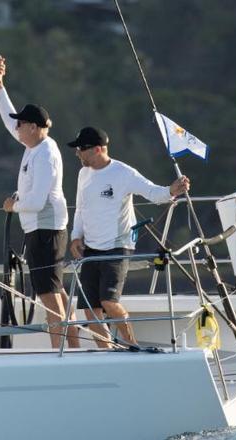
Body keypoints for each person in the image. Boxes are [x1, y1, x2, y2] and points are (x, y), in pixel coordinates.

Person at [67, 126, 190, 348]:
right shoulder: (82, 174)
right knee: (89, 309)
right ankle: (107, 353)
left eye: (80, 149)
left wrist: (172, 190)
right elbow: (80, 208)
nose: (77, 153)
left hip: (117, 248)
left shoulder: (123, 173)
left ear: (97, 149)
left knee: (109, 302)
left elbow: (153, 193)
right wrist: (76, 236)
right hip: (91, 250)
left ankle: (132, 345)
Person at [0, 60, 79, 349]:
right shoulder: (33, 145)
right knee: (57, 291)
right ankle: (73, 347)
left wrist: (12, 206)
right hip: (41, 229)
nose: (16, 127)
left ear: (32, 126)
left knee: (48, 293)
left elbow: (38, 201)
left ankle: (61, 351)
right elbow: (7, 119)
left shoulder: (44, 153)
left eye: (21, 124)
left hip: (46, 228)